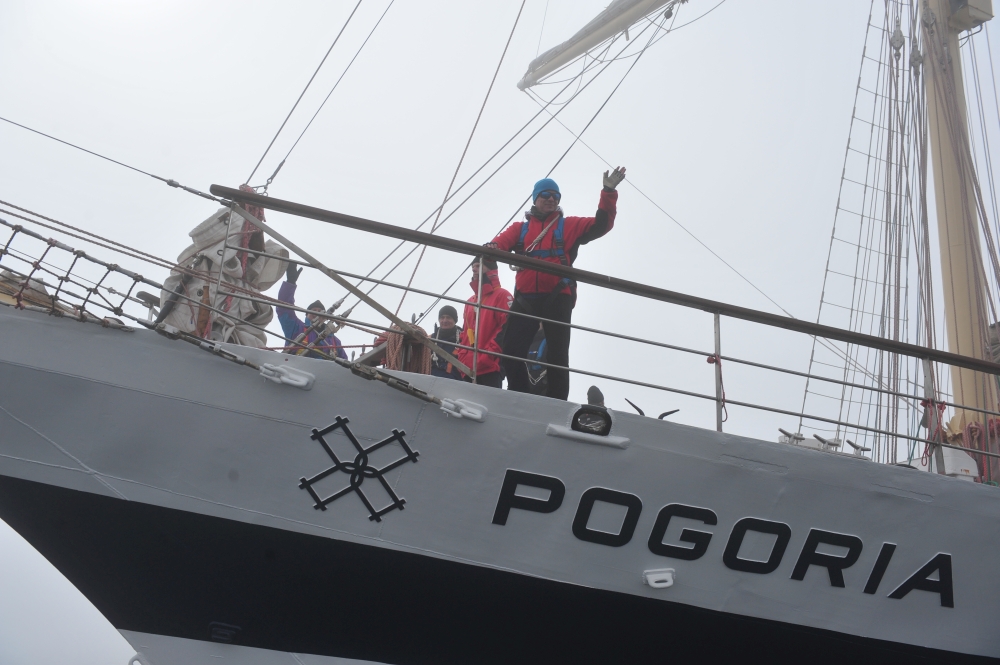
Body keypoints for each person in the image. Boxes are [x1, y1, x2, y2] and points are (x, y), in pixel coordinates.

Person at [485, 167, 625, 400]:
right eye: (546, 195)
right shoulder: (520, 229)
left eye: (555, 196)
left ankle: (556, 402)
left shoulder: (568, 226)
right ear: (535, 198)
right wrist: (492, 248)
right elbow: (498, 244)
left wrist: (608, 192)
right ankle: (520, 396)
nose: (551, 199)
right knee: (510, 350)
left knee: (558, 355)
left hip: (558, 296)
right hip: (526, 298)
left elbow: (601, 225)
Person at [455, 257, 512, 389]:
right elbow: (464, 333)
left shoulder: (502, 295)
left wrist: (489, 355)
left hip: (490, 367)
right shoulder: (470, 302)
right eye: (473, 267)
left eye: (478, 266)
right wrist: (462, 356)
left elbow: (507, 329)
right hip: (467, 367)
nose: (474, 269)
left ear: (491, 269)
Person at [276, 264, 347, 360]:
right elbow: (284, 309)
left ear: (325, 317)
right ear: (306, 315)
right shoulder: (296, 328)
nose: (317, 313)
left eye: (320, 311)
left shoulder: (335, 341)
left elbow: (345, 363)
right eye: (313, 311)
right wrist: (290, 282)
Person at [430, 305, 463, 380]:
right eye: (442, 317)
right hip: (431, 378)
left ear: (455, 320)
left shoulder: (463, 339)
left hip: (455, 380)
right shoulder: (431, 338)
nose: (445, 321)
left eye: (448, 317)